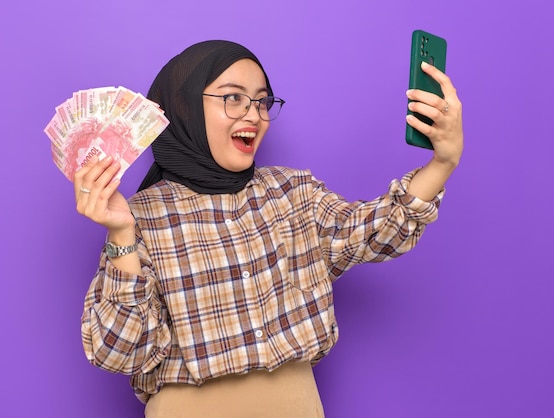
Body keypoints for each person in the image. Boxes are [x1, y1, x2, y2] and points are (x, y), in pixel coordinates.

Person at [74, 40, 463, 417]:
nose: (254, 115)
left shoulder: (293, 193)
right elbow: (120, 354)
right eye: (233, 98)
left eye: (262, 101)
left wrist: (442, 162)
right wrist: (122, 237)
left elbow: (377, 231)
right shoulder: (140, 216)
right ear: (184, 106)